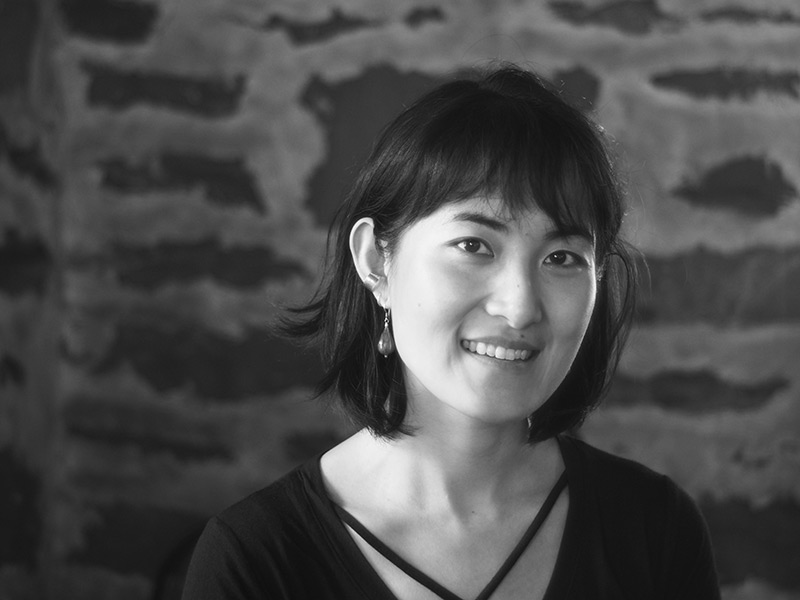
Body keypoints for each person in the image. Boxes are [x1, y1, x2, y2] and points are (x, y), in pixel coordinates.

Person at [181, 64, 720, 600]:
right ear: (375, 260)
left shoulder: (655, 530)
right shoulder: (255, 558)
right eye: (474, 246)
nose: (519, 307)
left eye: (561, 257)